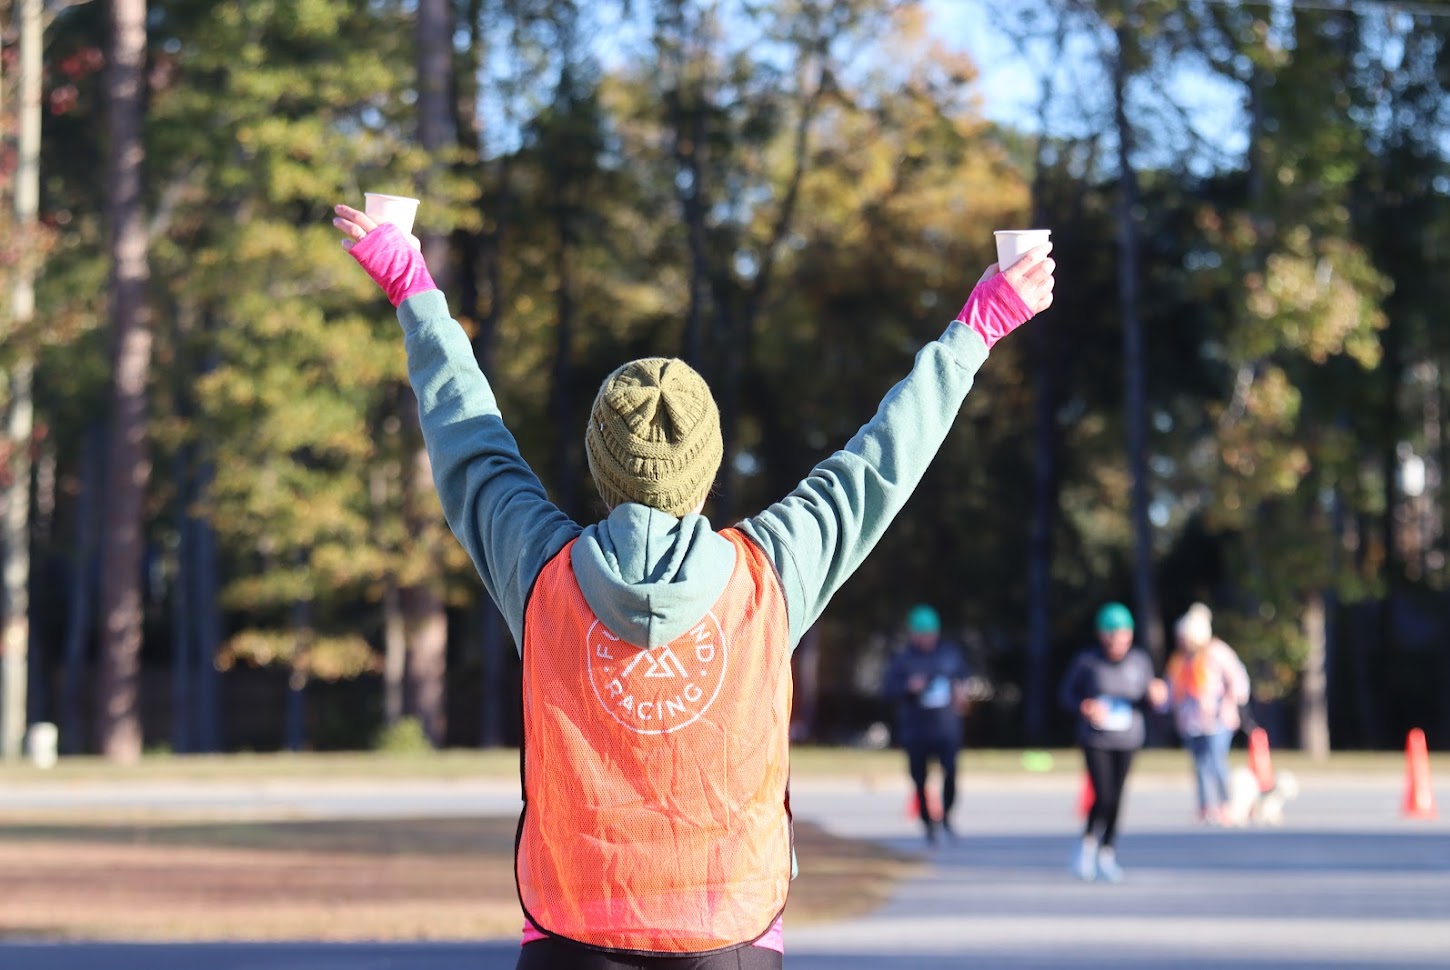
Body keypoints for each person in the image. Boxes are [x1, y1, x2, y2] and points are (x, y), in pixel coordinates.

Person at [332, 201, 1054, 969]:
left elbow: (467, 436)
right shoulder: (770, 571)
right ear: (705, 467)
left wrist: (410, 283)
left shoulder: (541, 570)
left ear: (599, 465)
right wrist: (979, 324)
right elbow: (882, 459)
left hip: (570, 924)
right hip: (732, 927)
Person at [1058, 602, 1167, 884]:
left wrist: (1155, 697)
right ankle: (1086, 847)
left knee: (1117, 798)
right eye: (1110, 634)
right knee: (1103, 795)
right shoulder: (1088, 662)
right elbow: (1066, 695)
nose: (1116, 640)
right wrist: (1085, 706)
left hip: (1127, 736)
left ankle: (1107, 852)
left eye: (1122, 634)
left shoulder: (1139, 661)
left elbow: (1145, 699)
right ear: (1101, 635)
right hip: (1096, 738)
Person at [882, 603, 974, 844]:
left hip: (946, 727)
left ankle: (947, 816)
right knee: (919, 778)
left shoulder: (949, 655)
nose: (926, 638)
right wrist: (909, 688)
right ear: (912, 634)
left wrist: (962, 692)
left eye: (930, 633)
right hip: (916, 729)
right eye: (921, 633)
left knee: (951, 773)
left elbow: (963, 679)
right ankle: (927, 822)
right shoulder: (903, 659)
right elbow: (888, 690)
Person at [1166, 602, 1251, 826]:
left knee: (1216, 761)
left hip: (1217, 720)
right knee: (1199, 764)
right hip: (1191, 721)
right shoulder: (1182, 659)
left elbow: (1238, 681)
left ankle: (1227, 805)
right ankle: (1205, 807)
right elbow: (1173, 689)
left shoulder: (1216, 652)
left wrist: (1228, 705)